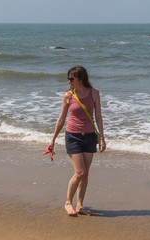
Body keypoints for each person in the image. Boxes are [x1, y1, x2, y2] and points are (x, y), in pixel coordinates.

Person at [47, 65, 106, 216]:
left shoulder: (94, 93)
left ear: (80, 79)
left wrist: (102, 138)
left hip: (90, 136)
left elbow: (98, 116)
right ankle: (68, 202)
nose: (69, 81)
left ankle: (80, 205)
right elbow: (61, 119)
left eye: (71, 78)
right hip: (73, 136)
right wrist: (52, 140)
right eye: (68, 78)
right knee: (80, 172)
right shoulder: (68, 96)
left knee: (86, 174)